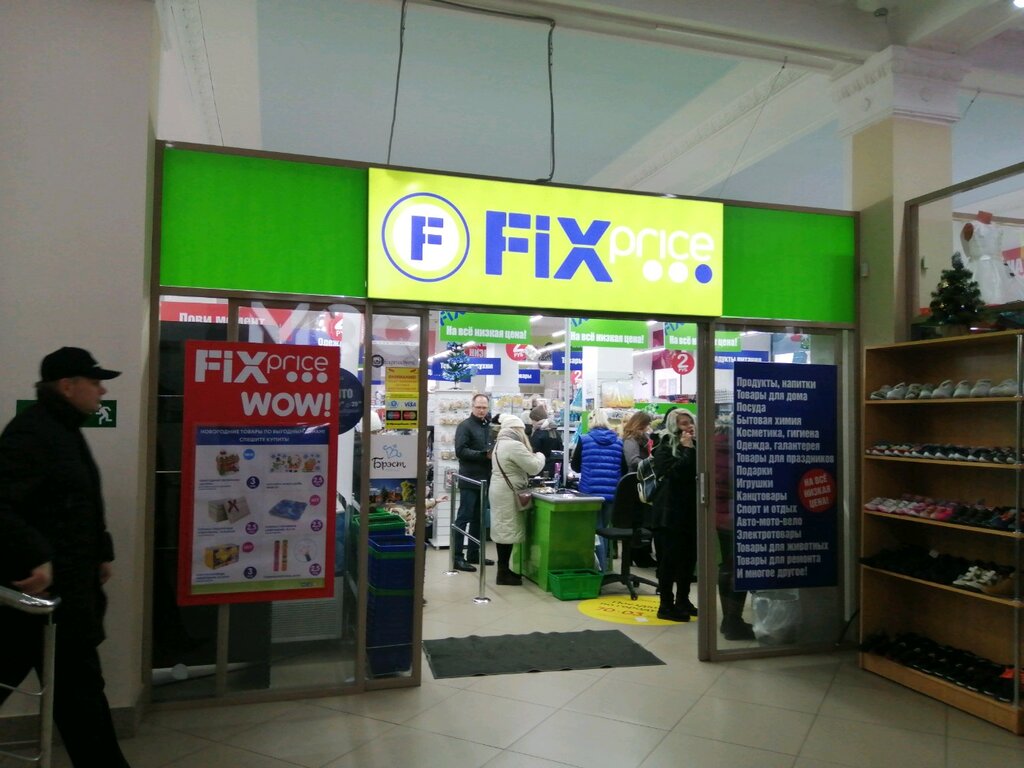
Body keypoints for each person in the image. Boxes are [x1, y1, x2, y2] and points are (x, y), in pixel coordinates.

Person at [0, 346, 132, 767]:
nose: (102, 390)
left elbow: (77, 502)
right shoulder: (32, 433)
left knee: (80, 697)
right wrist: (37, 556)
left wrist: (101, 552)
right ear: (67, 386)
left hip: (65, 594)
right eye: (94, 382)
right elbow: (3, 504)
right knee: (81, 697)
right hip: (40, 597)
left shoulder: (63, 429)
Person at [650, 408, 698, 622]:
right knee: (668, 561)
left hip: (691, 511)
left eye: (690, 422)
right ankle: (666, 605)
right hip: (668, 513)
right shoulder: (663, 447)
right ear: (673, 426)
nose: (688, 426)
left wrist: (691, 448)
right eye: (683, 423)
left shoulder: (697, 446)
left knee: (688, 560)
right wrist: (687, 450)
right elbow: (675, 474)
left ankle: (683, 600)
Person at [489, 415, 545, 585]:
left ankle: (504, 570)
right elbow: (534, 467)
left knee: (503, 529)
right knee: (507, 530)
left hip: (500, 490)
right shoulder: (513, 445)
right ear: (517, 429)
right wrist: (540, 455)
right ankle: (503, 574)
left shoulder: (500, 443)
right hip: (508, 493)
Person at [713, 413, 755, 640]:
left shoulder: (711, 445)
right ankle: (733, 620)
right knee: (739, 567)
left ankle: (729, 619)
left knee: (727, 566)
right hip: (736, 514)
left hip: (718, 514)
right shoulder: (737, 448)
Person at [570, 408, 624, 572]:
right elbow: (624, 468)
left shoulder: (584, 440)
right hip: (612, 493)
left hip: (590, 493)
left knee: (595, 530)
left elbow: (575, 466)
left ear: (591, 422)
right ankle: (605, 566)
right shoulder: (619, 442)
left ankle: (600, 569)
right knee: (605, 530)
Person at [451, 392, 494, 571]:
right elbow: (460, 451)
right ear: (472, 407)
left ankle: (474, 554)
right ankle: (457, 557)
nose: (481, 410)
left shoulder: (489, 426)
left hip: (485, 479)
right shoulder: (465, 426)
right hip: (469, 479)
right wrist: (483, 455)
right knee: (464, 517)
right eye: (478, 407)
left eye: (484, 407)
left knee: (479, 519)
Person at [960, 211, 1024, 305]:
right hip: (980, 267)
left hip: (999, 266)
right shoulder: (972, 226)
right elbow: (966, 246)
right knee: (982, 291)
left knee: (1003, 291)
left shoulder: (997, 228)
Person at [620, 411, 656, 568]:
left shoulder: (644, 438)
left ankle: (642, 553)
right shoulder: (631, 439)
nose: (648, 428)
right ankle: (637, 554)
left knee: (644, 520)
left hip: (643, 481)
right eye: (647, 425)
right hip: (634, 484)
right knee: (638, 521)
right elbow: (633, 460)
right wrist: (651, 462)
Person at [528, 404, 561, 477]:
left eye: (532, 420)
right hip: (555, 469)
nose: (532, 423)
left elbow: (532, 451)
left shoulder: (538, 433)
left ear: (536, 419)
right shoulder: (555, 432)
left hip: (541, 470)